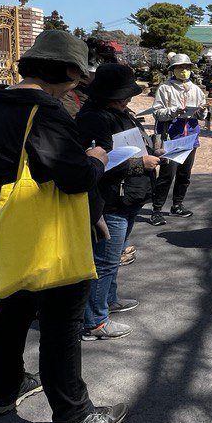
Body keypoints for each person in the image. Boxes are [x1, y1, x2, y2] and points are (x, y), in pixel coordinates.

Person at [0, 29, 128, 423]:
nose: (77, 85)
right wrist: (95, 158)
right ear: (64, 71)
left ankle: (7, 387)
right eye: (77, 76)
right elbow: (74, 177)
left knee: (15, 305)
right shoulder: (45, 112)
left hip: (9, 222)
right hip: (48, 230)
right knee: (61, 322)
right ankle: (72, 415)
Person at [75, 63, 160, 341]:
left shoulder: (120, 113)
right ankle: (95, 322)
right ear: (107, 95)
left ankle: (108, 301)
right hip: (110, 200)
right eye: (122, 95)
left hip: (128, 196)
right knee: (104, 262)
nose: (128, 100)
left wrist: (153, 150)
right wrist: (140, 162)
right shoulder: (93, 118)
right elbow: (97, 160)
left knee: (113, 258)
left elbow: (131, 145)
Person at [149, 53, 205, 226]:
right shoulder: (165, 88)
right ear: (173, 70)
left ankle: (177, 205)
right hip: (171, 137)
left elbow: (202, 113)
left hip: (191, 136)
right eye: (180, 67)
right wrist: (174, 111)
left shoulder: (195, 89)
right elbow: (157, 112)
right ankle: (157, 210)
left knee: (184, 175)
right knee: (167, 174)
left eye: (187, 67)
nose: (184, 71)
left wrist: (202, 112)